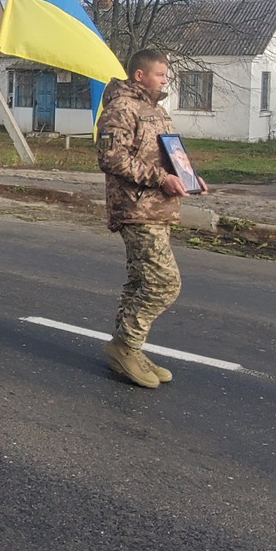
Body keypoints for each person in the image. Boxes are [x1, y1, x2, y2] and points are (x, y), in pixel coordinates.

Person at [96, 49, 198, 389]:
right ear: (139, 75)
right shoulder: (121, 108)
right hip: (136, 209)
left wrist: (188, 177)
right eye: (160, 74)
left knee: (141, 281)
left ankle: (130, 349)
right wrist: (160, 179)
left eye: (166, 75)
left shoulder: (156, 109)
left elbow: (169, 153)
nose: (165, 80)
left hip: (160, 207)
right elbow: (112, 158)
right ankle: (125, 345)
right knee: (164, 283)